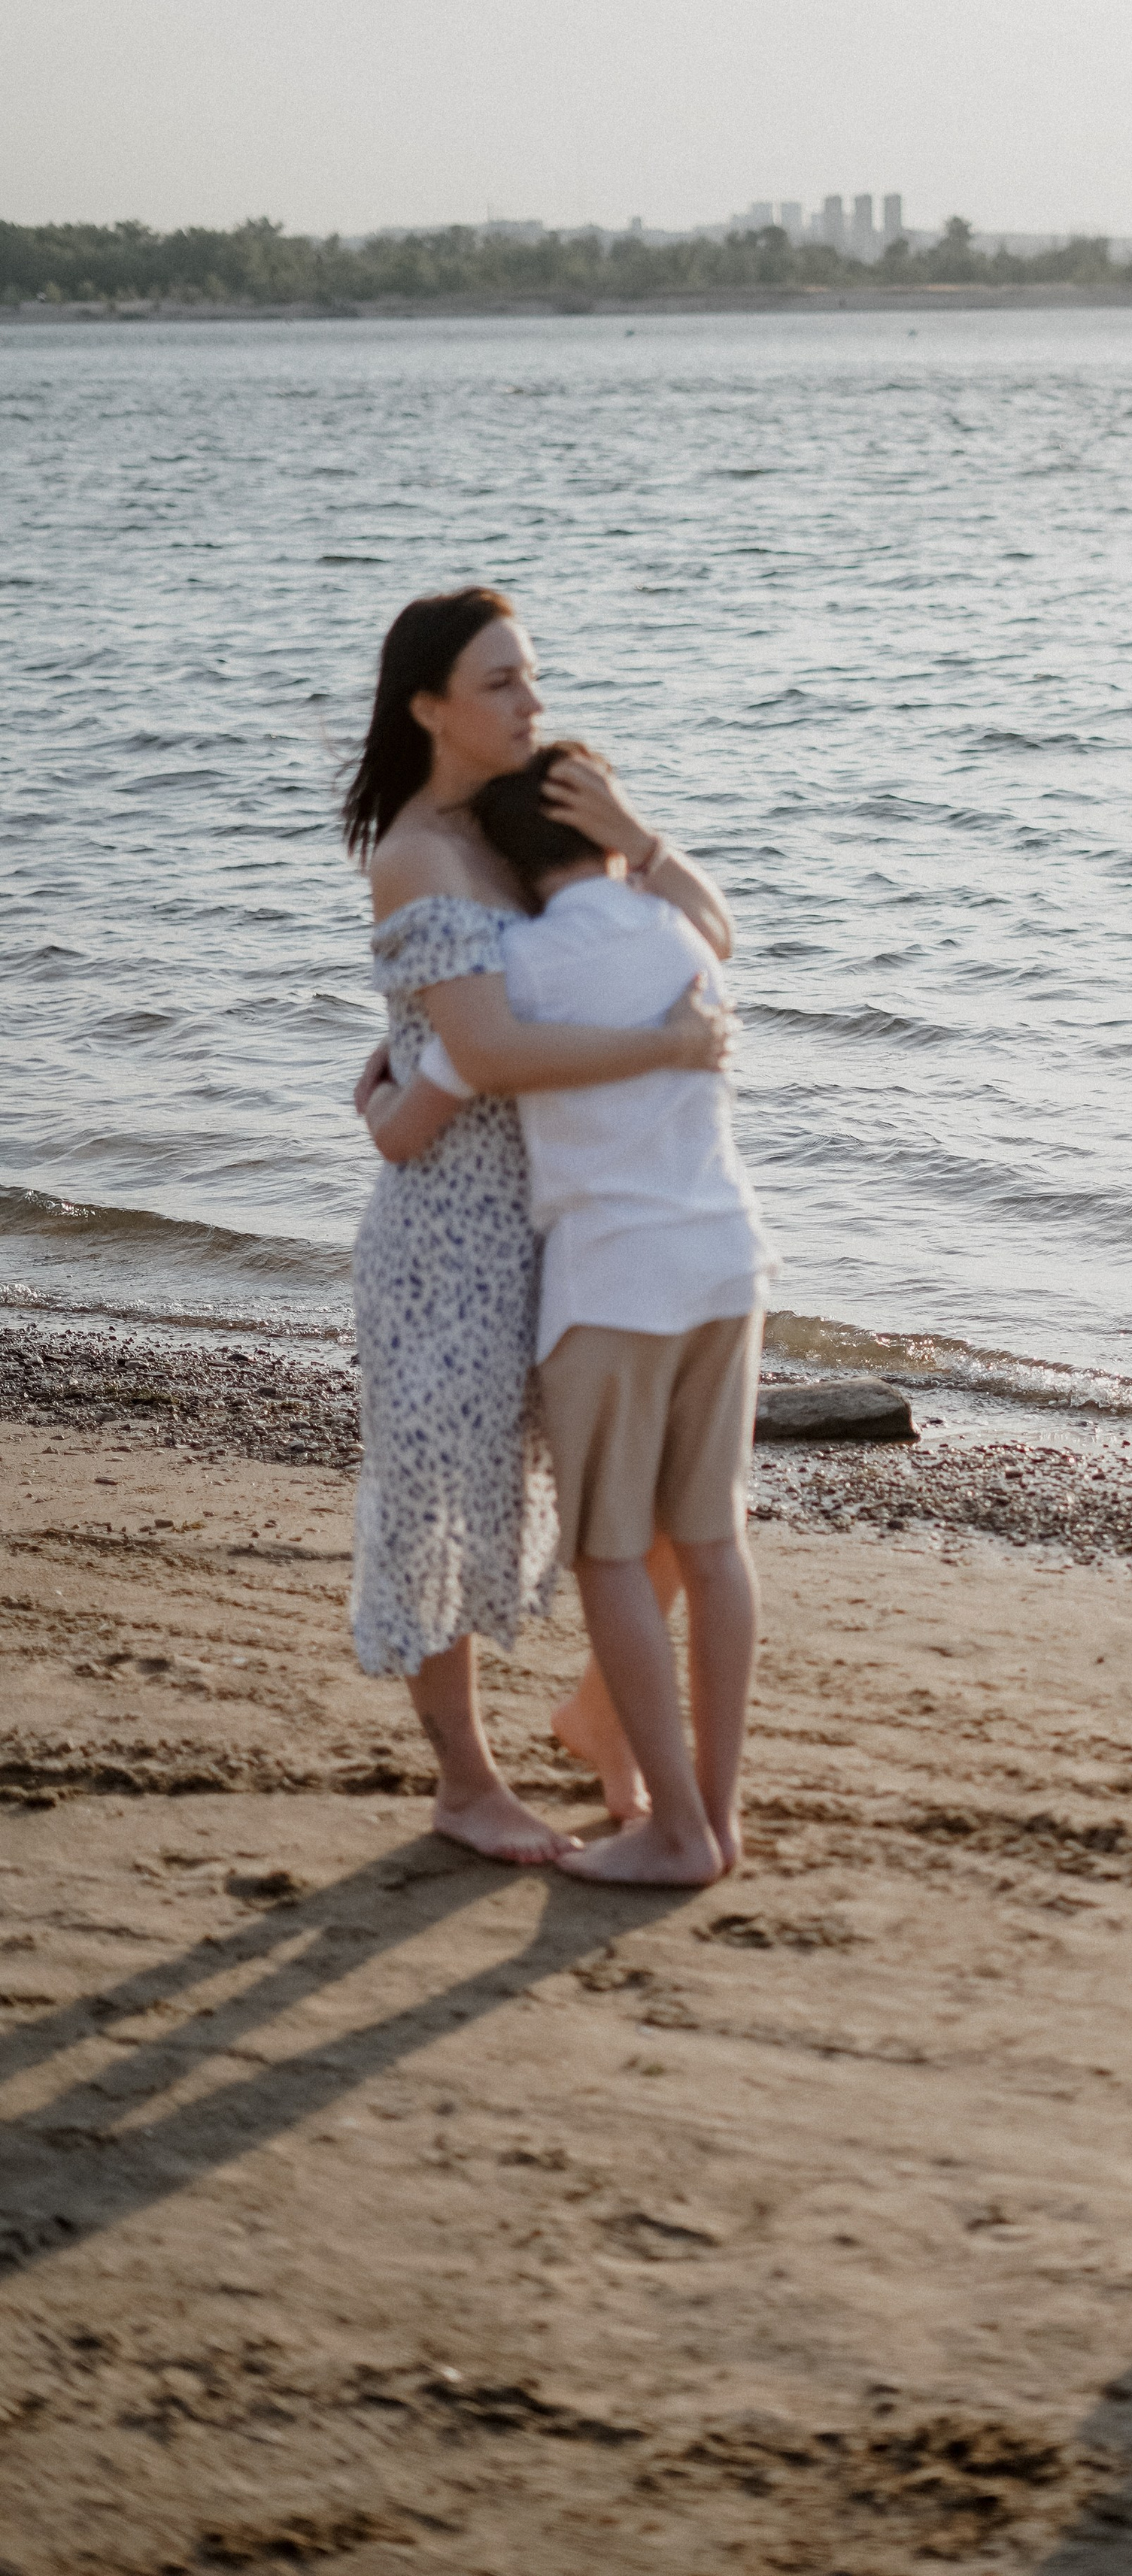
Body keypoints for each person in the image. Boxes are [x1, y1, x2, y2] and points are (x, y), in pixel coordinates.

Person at [343, 586, 735, 1865]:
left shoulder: (516, 827)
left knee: (640, 1506)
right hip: (452, 1233)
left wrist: (641, 837)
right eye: (503, 682)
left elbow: (649, 941)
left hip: (577, 1215)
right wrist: (667, 1046)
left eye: (532, 676)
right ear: (429, 706)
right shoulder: (415, 850)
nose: (533, 702)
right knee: (446, 1501)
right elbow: (496, 1044)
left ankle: (602, 1717)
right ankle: (465, 1783)